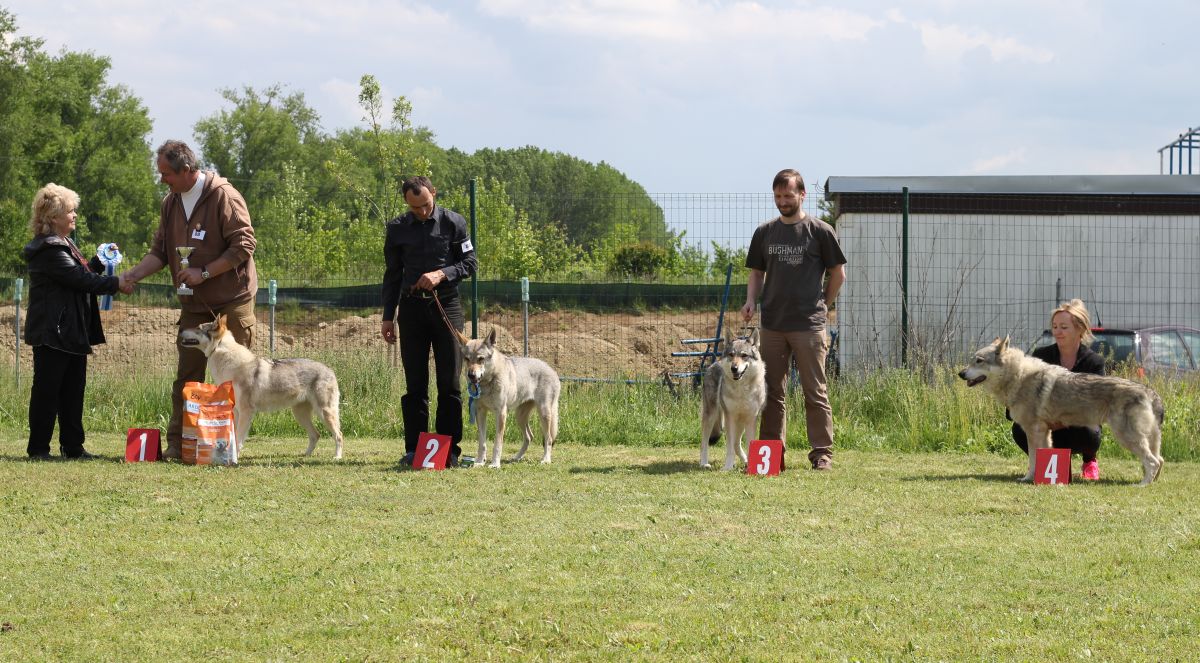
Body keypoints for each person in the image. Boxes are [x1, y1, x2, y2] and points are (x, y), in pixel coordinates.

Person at [122, 140, 257, 461]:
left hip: (231, 299)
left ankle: (230, 445)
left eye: (166, 173)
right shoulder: (170, 203)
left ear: (186, 170)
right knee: (187, 376)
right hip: (193, 305)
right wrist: (133, 275)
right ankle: (179, 443)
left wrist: (205, 272)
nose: (162, 180)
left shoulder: (223, 195)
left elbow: (245, 244)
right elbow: (159, 251)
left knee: (238, 377)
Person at [741, 169, 847, 470]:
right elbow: (756, 273)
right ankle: (773, 457)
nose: (782, 201)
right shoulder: (764, 232)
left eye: (788, 195)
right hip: (772, 324)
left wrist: (825, 304)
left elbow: (838, 273)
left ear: (802, 195)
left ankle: (822, 455)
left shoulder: (821, 231)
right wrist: (751, 300)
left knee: (815, 391)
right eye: (777, 196)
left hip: (809, 325)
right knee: (772, 391)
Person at [24, 183, 131, 460]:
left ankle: (73, 447)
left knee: (73, 391)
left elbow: (79, 274)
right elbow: (79, 280)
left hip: (69, 331)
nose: (74, 216)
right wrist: (116, 282)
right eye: (70, 211)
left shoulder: (63, 244)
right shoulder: (49, 249)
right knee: (48, 392)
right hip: (54, 332)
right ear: (53, 217)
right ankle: (38, 449)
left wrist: (99, 260)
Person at [381, 176, 477, 468]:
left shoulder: (454, 223)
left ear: (434, 193)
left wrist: (442, 273)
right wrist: (388, 315)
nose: (421, 211)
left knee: (449, 383)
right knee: (415, 384)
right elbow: (392, 274)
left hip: (446, 307)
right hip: (411, 310)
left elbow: (470, 264)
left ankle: (449, 451)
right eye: (414, 208)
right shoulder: (397, 229)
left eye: (425, 205)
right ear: (406, 203)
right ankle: (415, 449)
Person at [1011, 299, 1105, 480]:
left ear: (1080, 329)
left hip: (1078, 423)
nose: (1057, 331)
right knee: (1019, 428)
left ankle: (1089, 460)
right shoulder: (1041, 355)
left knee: (1088, 431)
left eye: (1064, 327)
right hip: (1045, 421)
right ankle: (1043, 463)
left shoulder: (1094, 362)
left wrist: (1060, 420)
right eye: (1055, 326)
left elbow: (1095, 405)